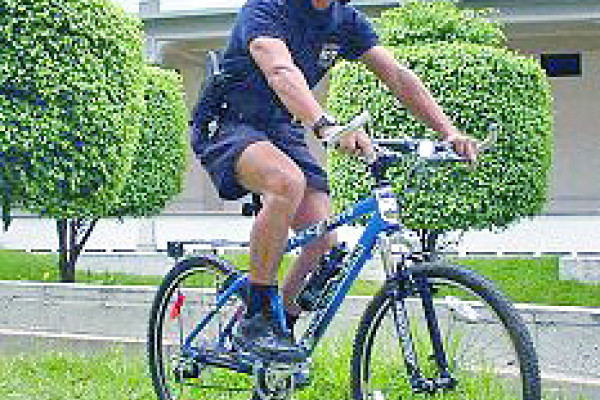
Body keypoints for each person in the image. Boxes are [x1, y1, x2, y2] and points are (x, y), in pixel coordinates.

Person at [191, 0, 479, 364]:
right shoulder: (266, 7)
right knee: (285, 183)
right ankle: (256, 318)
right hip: (228, 122)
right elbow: (280, 70)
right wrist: (323, 123)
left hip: (281, 127)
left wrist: (448, 132)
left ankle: (281, 333)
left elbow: (397, 75)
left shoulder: (345, 19)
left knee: (323, 241)